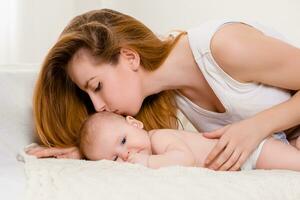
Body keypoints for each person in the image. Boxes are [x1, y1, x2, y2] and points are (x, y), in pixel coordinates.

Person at [27, 8, 300, 171]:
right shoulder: (167, 95)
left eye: (97, 86)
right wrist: (89, 153)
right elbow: (137, 143)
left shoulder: (225, 46)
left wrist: (256, 127)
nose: (97, 106)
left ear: (130, 57)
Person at [78, 112, 300, 171]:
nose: (126, 154)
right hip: (243, 160)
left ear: (135, 124)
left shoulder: (159, 138)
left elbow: (184, 160)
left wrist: (145, 163)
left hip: (251, 150)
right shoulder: (154, 153)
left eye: (124, 140)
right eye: (115, 157)